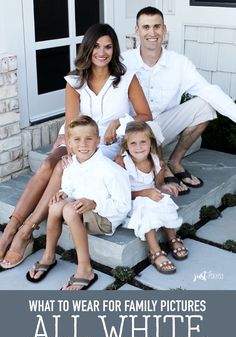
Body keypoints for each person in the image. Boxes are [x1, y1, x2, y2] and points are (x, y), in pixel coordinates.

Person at [0, 23, 152, 269]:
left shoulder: (126, 79)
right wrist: (68, 144)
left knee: (61, 167)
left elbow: (145, 114)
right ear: (87, 49)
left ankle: (26, 231)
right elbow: (71, 125)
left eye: (108, 47)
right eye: (96, 47)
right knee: (52, 162)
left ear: (114, 50)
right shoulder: (74, 80)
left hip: (105, 144)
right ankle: (12, 228)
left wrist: (120, 122)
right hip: (76, 136)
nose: (102, 52)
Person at [122, 6, 236, 194]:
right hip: (132, 130)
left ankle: (174, 161)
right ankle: (161, 167)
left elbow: (209, 91)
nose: (152, 33)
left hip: (165, 127)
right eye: (146, 27)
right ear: (137, 30)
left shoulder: (179, 63)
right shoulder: (124, 62)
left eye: (157, 27)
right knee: (146, 125)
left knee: (205, 106)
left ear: (164, 29)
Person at [25, 116, 131, 289]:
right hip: (81, 209)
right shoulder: (71, 163)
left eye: (89, 139)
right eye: (77, 139)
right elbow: (68, 185)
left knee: (69, 210)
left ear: (97, 140)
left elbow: (123, 206)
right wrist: (63, 193)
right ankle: (49, 255)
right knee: (56, 205)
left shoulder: (111, 171)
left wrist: (95, 203)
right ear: (70, 143)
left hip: (106, 217)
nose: (83, 144)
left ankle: (85, 269)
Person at [115, 121, 187, 274]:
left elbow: (158, 185)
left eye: (143, 142)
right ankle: (154, 251)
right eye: (133, 143)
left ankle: (172, 238)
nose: (139, 147)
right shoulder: (122, 163)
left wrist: (165, 188)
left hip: (150, 197)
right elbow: (119, 194)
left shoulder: (157, 162)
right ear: (126, 145)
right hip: (131, 202)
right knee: (145, 206)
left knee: (164, 200)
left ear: (150, 143)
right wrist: (145, 193)